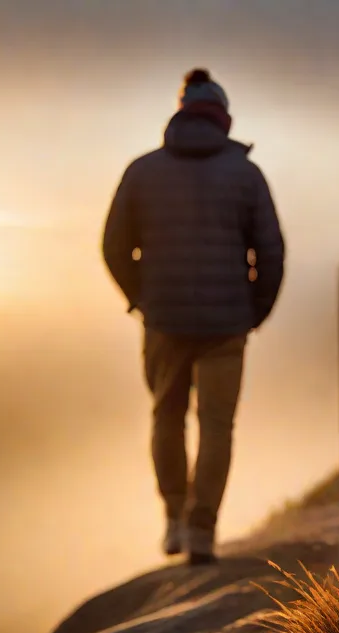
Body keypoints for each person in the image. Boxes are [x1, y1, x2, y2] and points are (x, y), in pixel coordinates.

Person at [102, 68, 285, 565]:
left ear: (180, 114)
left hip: (164, 322)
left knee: (166, 417)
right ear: (223, 119)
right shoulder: (246, 174)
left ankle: (175, 519)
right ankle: (203, 532)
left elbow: (114, 247)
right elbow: (270, 252)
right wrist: (254, 312)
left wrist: (143, 300)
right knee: (217, 426)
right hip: (227, 325)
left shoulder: (142, 170)